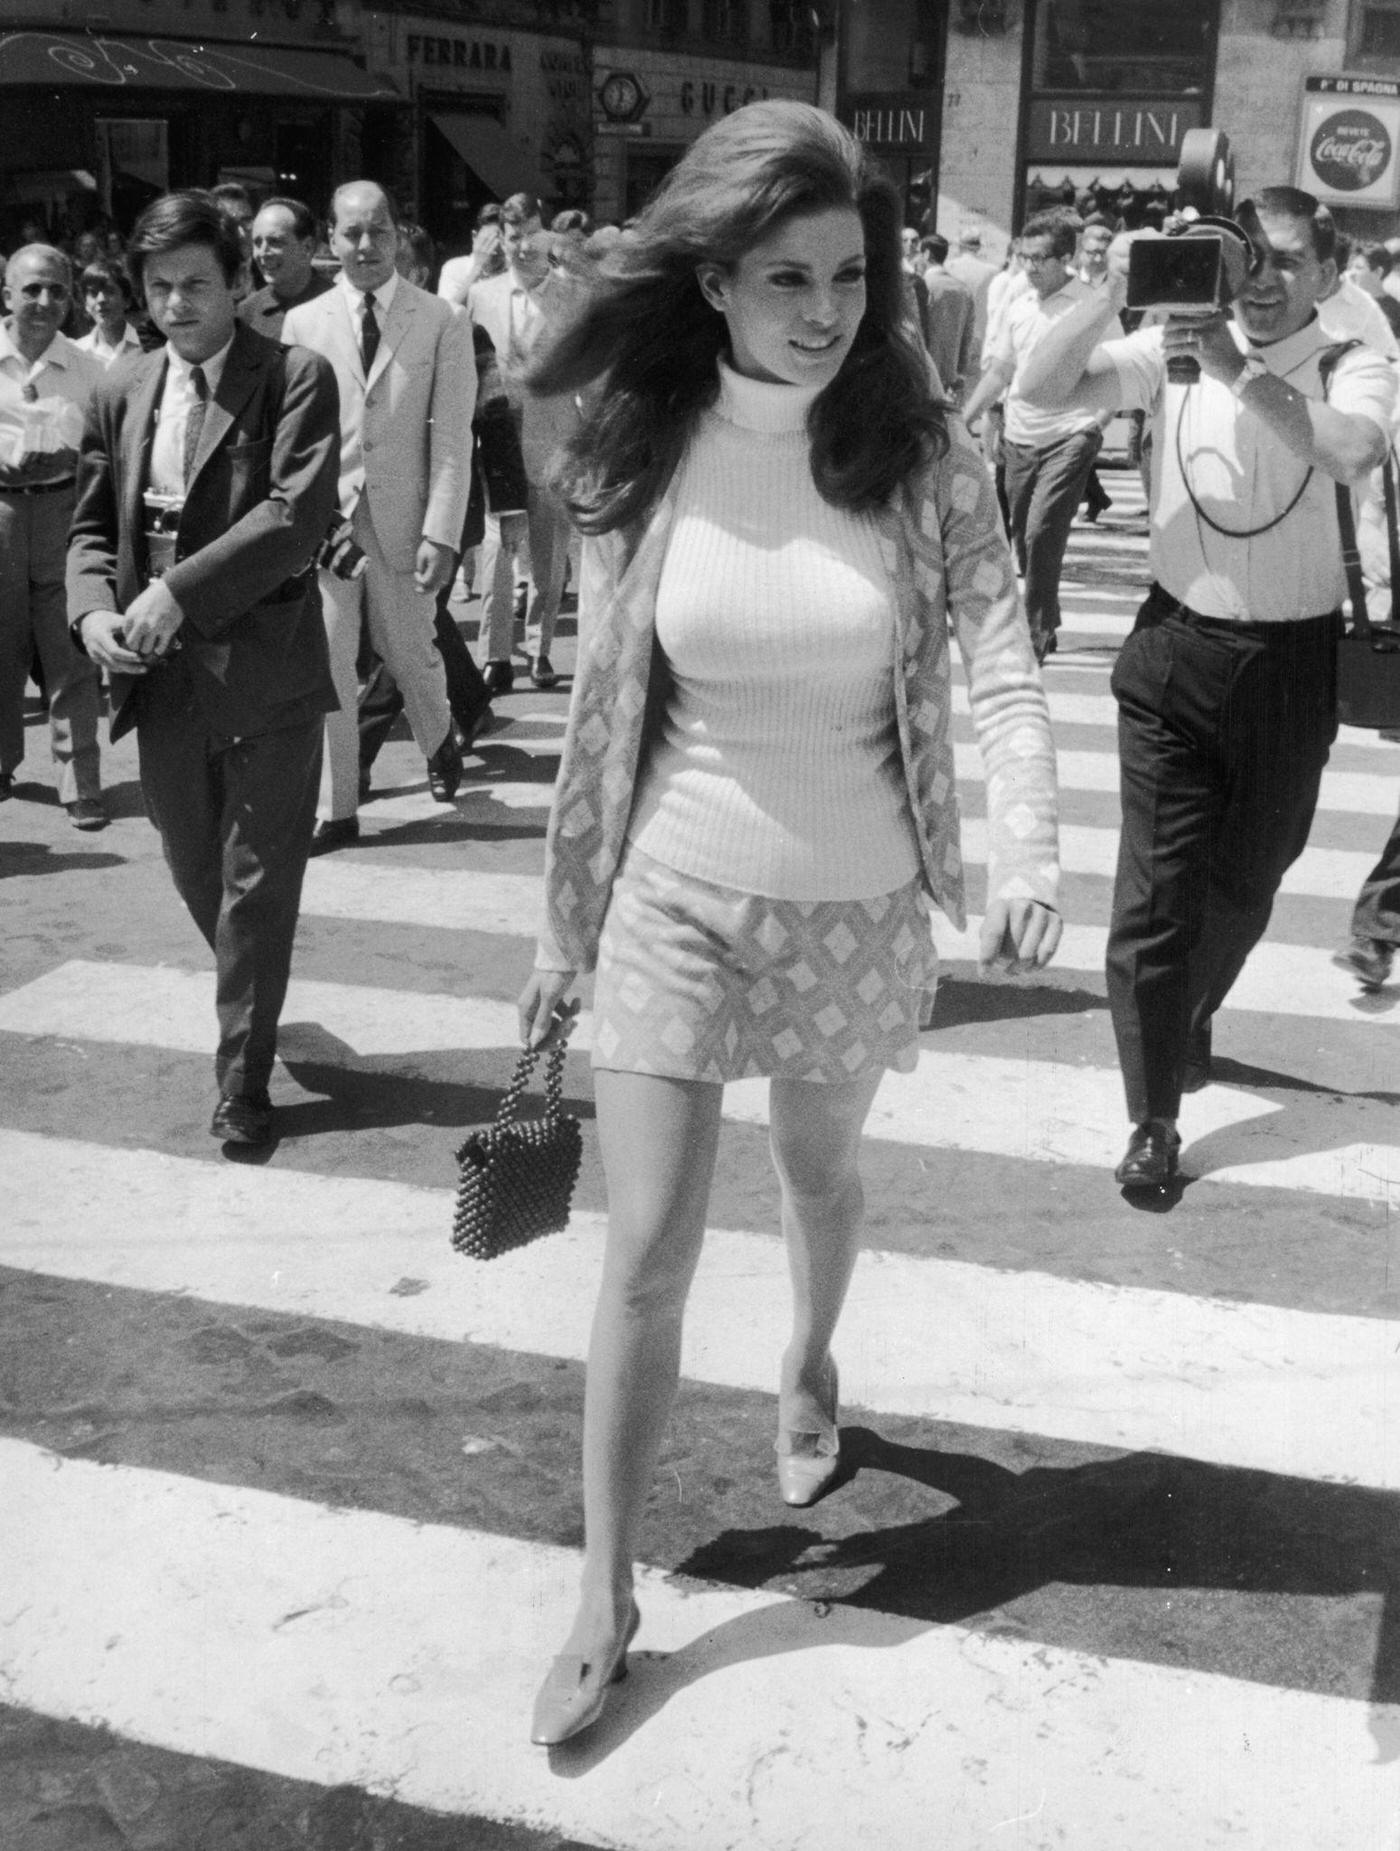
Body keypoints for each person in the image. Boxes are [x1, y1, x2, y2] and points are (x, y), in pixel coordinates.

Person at [515, 99, 1061, 1748]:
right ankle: (604, 1591)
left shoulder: (918, 449)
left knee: (817, 1175)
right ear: (713, 281)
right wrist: (560, 933)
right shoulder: (650, 443)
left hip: (856, 902)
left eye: (847, 275)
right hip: (673, 892)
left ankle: (812, 1358)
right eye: (785, 278)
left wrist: (1027, 847)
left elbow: (1001, 657)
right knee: (646, 1247)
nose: (826, 311)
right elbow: (604, 715)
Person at [1015, 187, 1395, 1189]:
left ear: (1327, 273)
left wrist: (1237, 370)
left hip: (1291, 667)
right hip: (1173, 652)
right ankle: (1152, 1115)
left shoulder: (1350, 359)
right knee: (1154, 899)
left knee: (1246, 884)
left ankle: (1186, 1009)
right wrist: (1110, 291)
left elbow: (1353, 450)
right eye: (1247, 258)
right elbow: (1040, 389)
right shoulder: (1172, 346)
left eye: (1286, 262)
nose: (1261, 281)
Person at [66, 190, 341, 1145]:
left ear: (237, 284)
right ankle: (253, 1001)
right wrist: (92, 610)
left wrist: (177, 592)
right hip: (160, 679)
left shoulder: (294, 376)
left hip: (267, 672)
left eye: (194, 284)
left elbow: (294, 515)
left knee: (255, 886)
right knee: (196, 873)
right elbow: (90, 530)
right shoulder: (120, 389)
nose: (175, 305)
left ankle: (242, 1084)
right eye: (157, 287)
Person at [283, 180, 475, 851]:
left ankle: (439, 735)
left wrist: (441, 533)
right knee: (331, 663)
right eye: (352, 233)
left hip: (406, 519)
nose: (365, 245)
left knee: (409, 651)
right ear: (330, 241)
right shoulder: (303, 323)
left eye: (379, 231)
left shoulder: (441, 319)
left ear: (398, 235)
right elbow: (295, 437)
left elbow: (451, 438)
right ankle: (337, 809)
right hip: (328, 523)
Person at [963, 209, 1119, 661]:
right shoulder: (1019, 304)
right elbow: (1001, 371)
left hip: (1071, 435)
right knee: (1021, 537)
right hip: (1019, 436)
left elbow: (1121, 362)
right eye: (1024, 257)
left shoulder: (1094, 304)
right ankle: (1046, 612)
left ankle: (1035, 633)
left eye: (1039, 259)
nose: (1029, 267)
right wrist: (965, 418)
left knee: (1041, 532)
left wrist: (1099, 421)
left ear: (1066, 258)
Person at [0, 243, 107, 824]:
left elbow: (110, 452)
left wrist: (76, 461)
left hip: (65, 513)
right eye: (32, 289)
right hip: (1, 515)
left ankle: (80, 781)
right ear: (7, 295)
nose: (44, 301)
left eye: (57, 290)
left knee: (71, 651)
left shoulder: (89, 370)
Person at [468, 193, 574, 690]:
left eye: (533, 234)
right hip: (497, 439)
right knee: (498, 546)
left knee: (548, 552)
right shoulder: (482, 295)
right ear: (502, 239)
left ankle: (539, 648)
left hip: (553, 436)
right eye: (514, 237)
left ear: (547, 234)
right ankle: (496, 655)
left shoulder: (571, 295)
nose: (524, 246)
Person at [238, 196, 331, 343]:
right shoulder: (246, 315)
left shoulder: (341, 304)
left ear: (307, 247)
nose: (263, 253)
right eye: (257, 243)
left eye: (275, 242)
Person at [917, 232, 974, 401]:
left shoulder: (922, 286)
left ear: (926, 254)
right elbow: (967, 335)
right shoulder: (963, 289)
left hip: (922, 372)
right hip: (950, 374)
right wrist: (960, 373)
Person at [73, 260, 142, 368]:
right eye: (94, 293)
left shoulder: (148, 348)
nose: (101, 299)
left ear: (127, 301)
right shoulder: (77, 352)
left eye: (110, 292)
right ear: (86, 304)